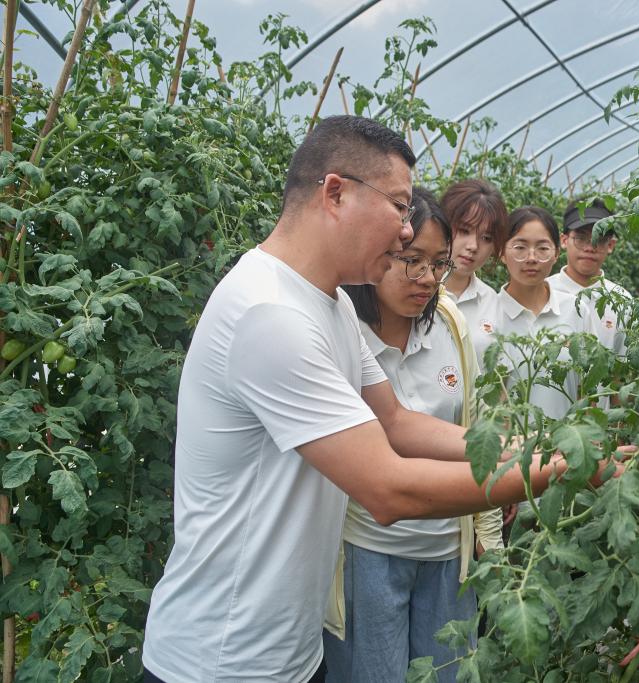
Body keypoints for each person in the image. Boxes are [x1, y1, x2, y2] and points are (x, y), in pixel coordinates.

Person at [141, 116, 614, 683]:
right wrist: (559, 471)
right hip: (220, 661)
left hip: (288, 653)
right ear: (335, 193)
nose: (408, 232)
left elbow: (397, 423)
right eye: (398, 204)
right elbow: (387, 488)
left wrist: (538, 446)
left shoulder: (331, 303)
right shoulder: (269, 314)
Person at [322, 188, 502, 682]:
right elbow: (388, 439)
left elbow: (473, 426)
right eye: (411, 260)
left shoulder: (449, 322)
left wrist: (488, 533)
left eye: (438, 264)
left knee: (449, 672)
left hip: (448, 548)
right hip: (368, 549)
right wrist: (530, 469)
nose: (427, 279)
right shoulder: (340, 331)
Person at [476, 206, 601, 420]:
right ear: (501, 253)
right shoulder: (486, 316)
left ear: (556, 254)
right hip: (510, 448)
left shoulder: (576, 310)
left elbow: (587, 388)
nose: (531, 258)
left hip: (565, 446)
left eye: (542, 248)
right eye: (520, 247)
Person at [547, 197, 632, 356]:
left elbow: (625, 367)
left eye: (598, 239)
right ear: (564, 240)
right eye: (581, 238)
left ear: (610, 245)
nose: (589, 247)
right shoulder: (542, 292)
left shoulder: (622, 301)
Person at [439, 179, 509, 365]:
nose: (473, 246)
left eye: (486, 238)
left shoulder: (493, 303)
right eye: (463, 230)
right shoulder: (414, 290)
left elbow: (500, 378)